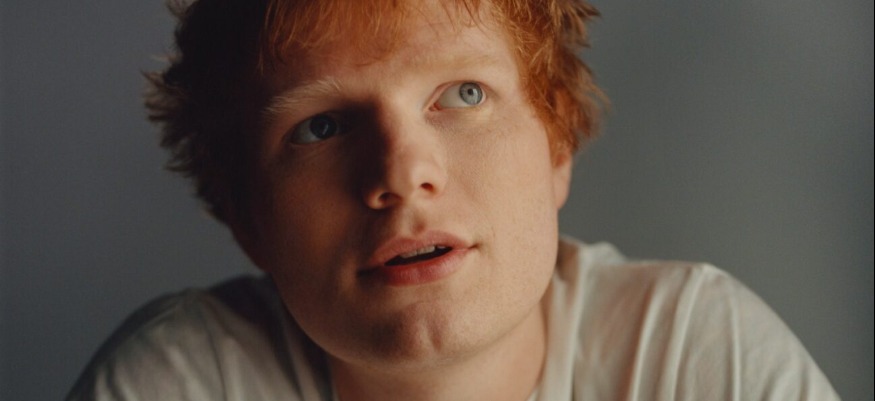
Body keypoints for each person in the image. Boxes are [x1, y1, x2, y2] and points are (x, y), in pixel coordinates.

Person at [67, 0, 840, 400]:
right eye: (321, 126)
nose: (402, 173)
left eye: (463, 93)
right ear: (246, 218)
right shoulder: (183, 381)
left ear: (556, 145)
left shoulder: (692, 354)